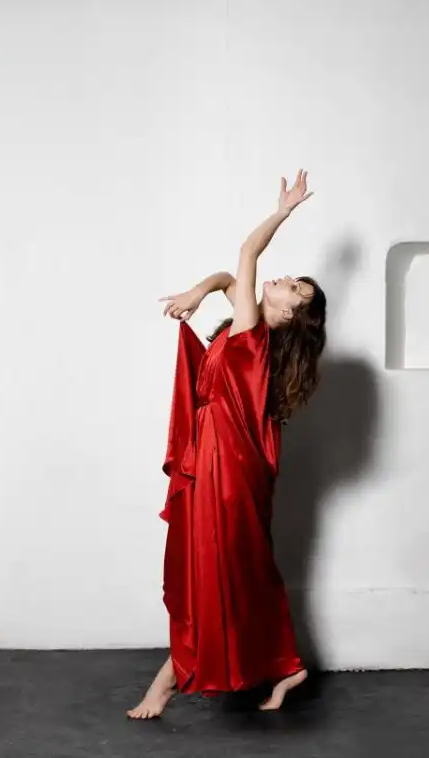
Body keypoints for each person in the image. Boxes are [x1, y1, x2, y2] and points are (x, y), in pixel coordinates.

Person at [127, 169, 327, 718]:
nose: (286, 280)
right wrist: (198, 290)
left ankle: (167, 684)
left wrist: (282, 212)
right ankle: (287, 666)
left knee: (213, 574)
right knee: (239, 571)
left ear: (288, 315)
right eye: (293, 280)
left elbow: (245, 253)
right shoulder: (248, 326)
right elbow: (227, 277)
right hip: (222, 464)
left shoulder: (252, 334)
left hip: (226, 472)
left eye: (294, 289)